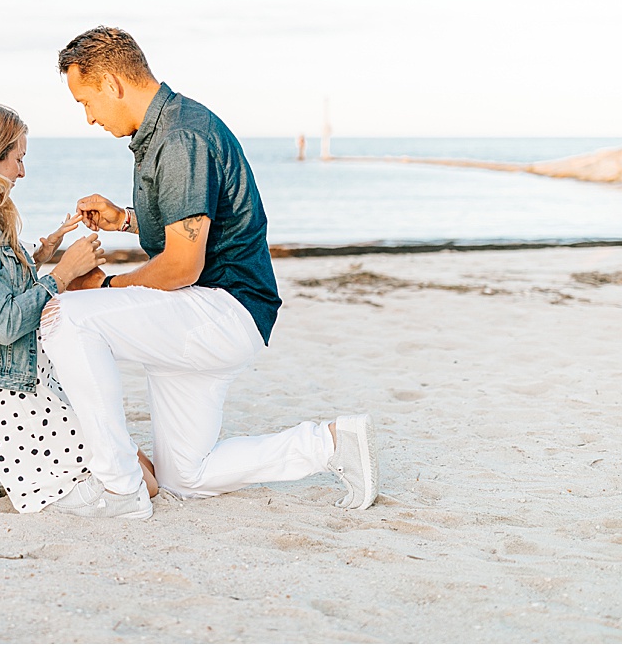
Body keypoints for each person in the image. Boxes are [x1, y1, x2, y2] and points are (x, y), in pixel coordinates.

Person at [38, 26, 380, 518]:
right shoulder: (167, 129)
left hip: (222, 308)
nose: (88, 117)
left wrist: (105, 285)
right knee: (187, 476)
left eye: (85, 101)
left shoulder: (180, 138)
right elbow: (189, 229)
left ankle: (118, 488)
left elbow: (182, 263)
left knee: (67, 315)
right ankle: (331, 445)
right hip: (207, 313)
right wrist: (124, 220)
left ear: (112, 83)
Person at [0, 100, 157, 517]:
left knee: (144, 473)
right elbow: (1, 323)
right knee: (141, 484)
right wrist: (62, 276)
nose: (22, 171)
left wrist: (45, 252)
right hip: (3, 388)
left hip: (27, 373)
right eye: (17, 159)